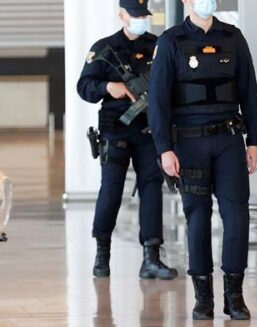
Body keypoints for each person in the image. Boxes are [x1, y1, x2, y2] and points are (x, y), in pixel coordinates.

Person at [149, 0, 257, 320]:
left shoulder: (233, 37)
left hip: (228, 140)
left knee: (237, 216)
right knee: (197, 218)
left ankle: (234, 296)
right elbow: (157, 102)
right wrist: (164, 149)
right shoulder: (170, 41)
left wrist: (254, 141)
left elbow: (249, 93)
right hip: (188, 143)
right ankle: (203, 297)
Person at [77, 0, 178, 280]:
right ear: (122, 15)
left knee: (151, 190)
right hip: (116, 132)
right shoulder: (104, 48)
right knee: (110, 191)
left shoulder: (158, 46)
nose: (140, 19)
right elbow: (84, 86)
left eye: (144, 15)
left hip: (148, 132)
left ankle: (151, 256)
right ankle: (102, 254)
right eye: (135, 15)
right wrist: (108, 86)